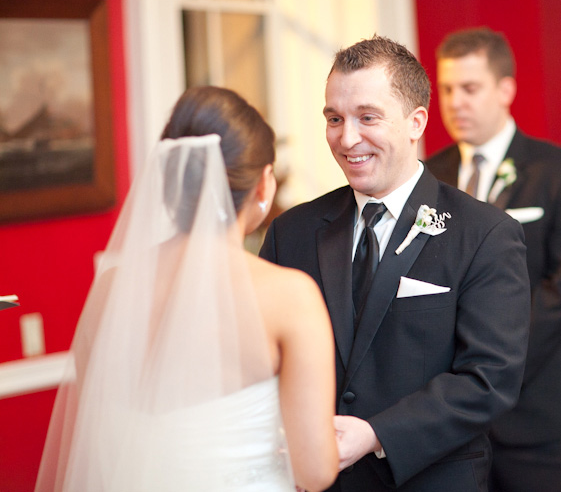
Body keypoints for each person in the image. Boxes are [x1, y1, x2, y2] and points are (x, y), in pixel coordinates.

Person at [259, 36, 531, 492]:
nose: (347, 138)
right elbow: (262, 358)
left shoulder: (485, 233)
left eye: (367, 117)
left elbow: (489, 380)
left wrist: (376, 434)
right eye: (334, 119)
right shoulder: (292, 232)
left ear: (415, 122)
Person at [35, 86, 339, 492]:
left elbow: (98, 436)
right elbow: (314, 472)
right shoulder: (290, 297)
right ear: (263, 185)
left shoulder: (110, 289)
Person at [426, 27, 561, 491]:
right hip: (449, 420)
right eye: (446, 89)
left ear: (506, 90)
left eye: (470, 88)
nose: (455, 103)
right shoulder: (426, 177)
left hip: (538, 413)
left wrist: (494, 364)